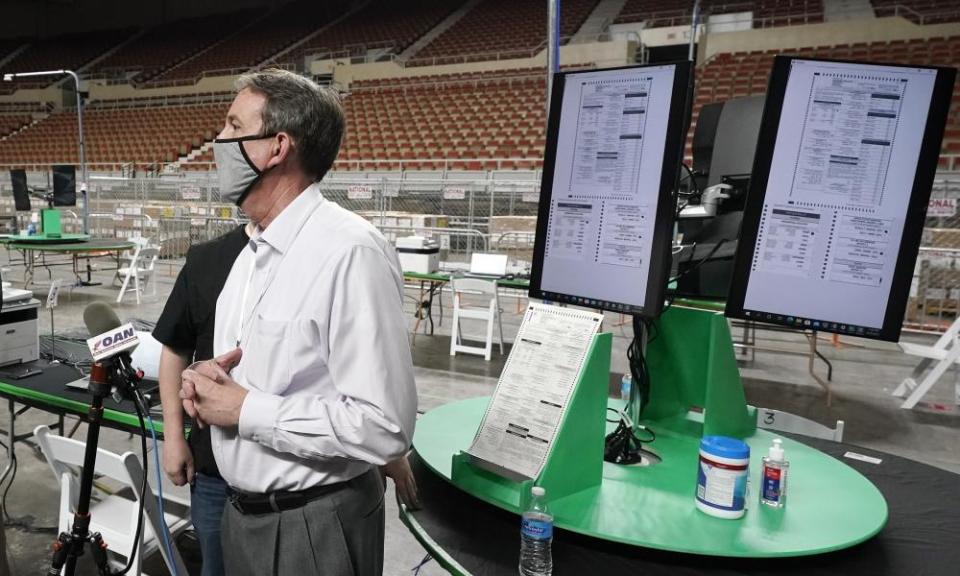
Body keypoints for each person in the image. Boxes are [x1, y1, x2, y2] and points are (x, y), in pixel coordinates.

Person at [179, 69, 418, 576]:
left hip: (314, 522)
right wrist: (208, 383)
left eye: (232, 126)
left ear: (276, 146)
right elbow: (265, 373)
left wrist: (244, 409)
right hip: (243, 515)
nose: (216, 141)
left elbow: (383, 426)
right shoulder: (251, 253)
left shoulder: (349, 251)